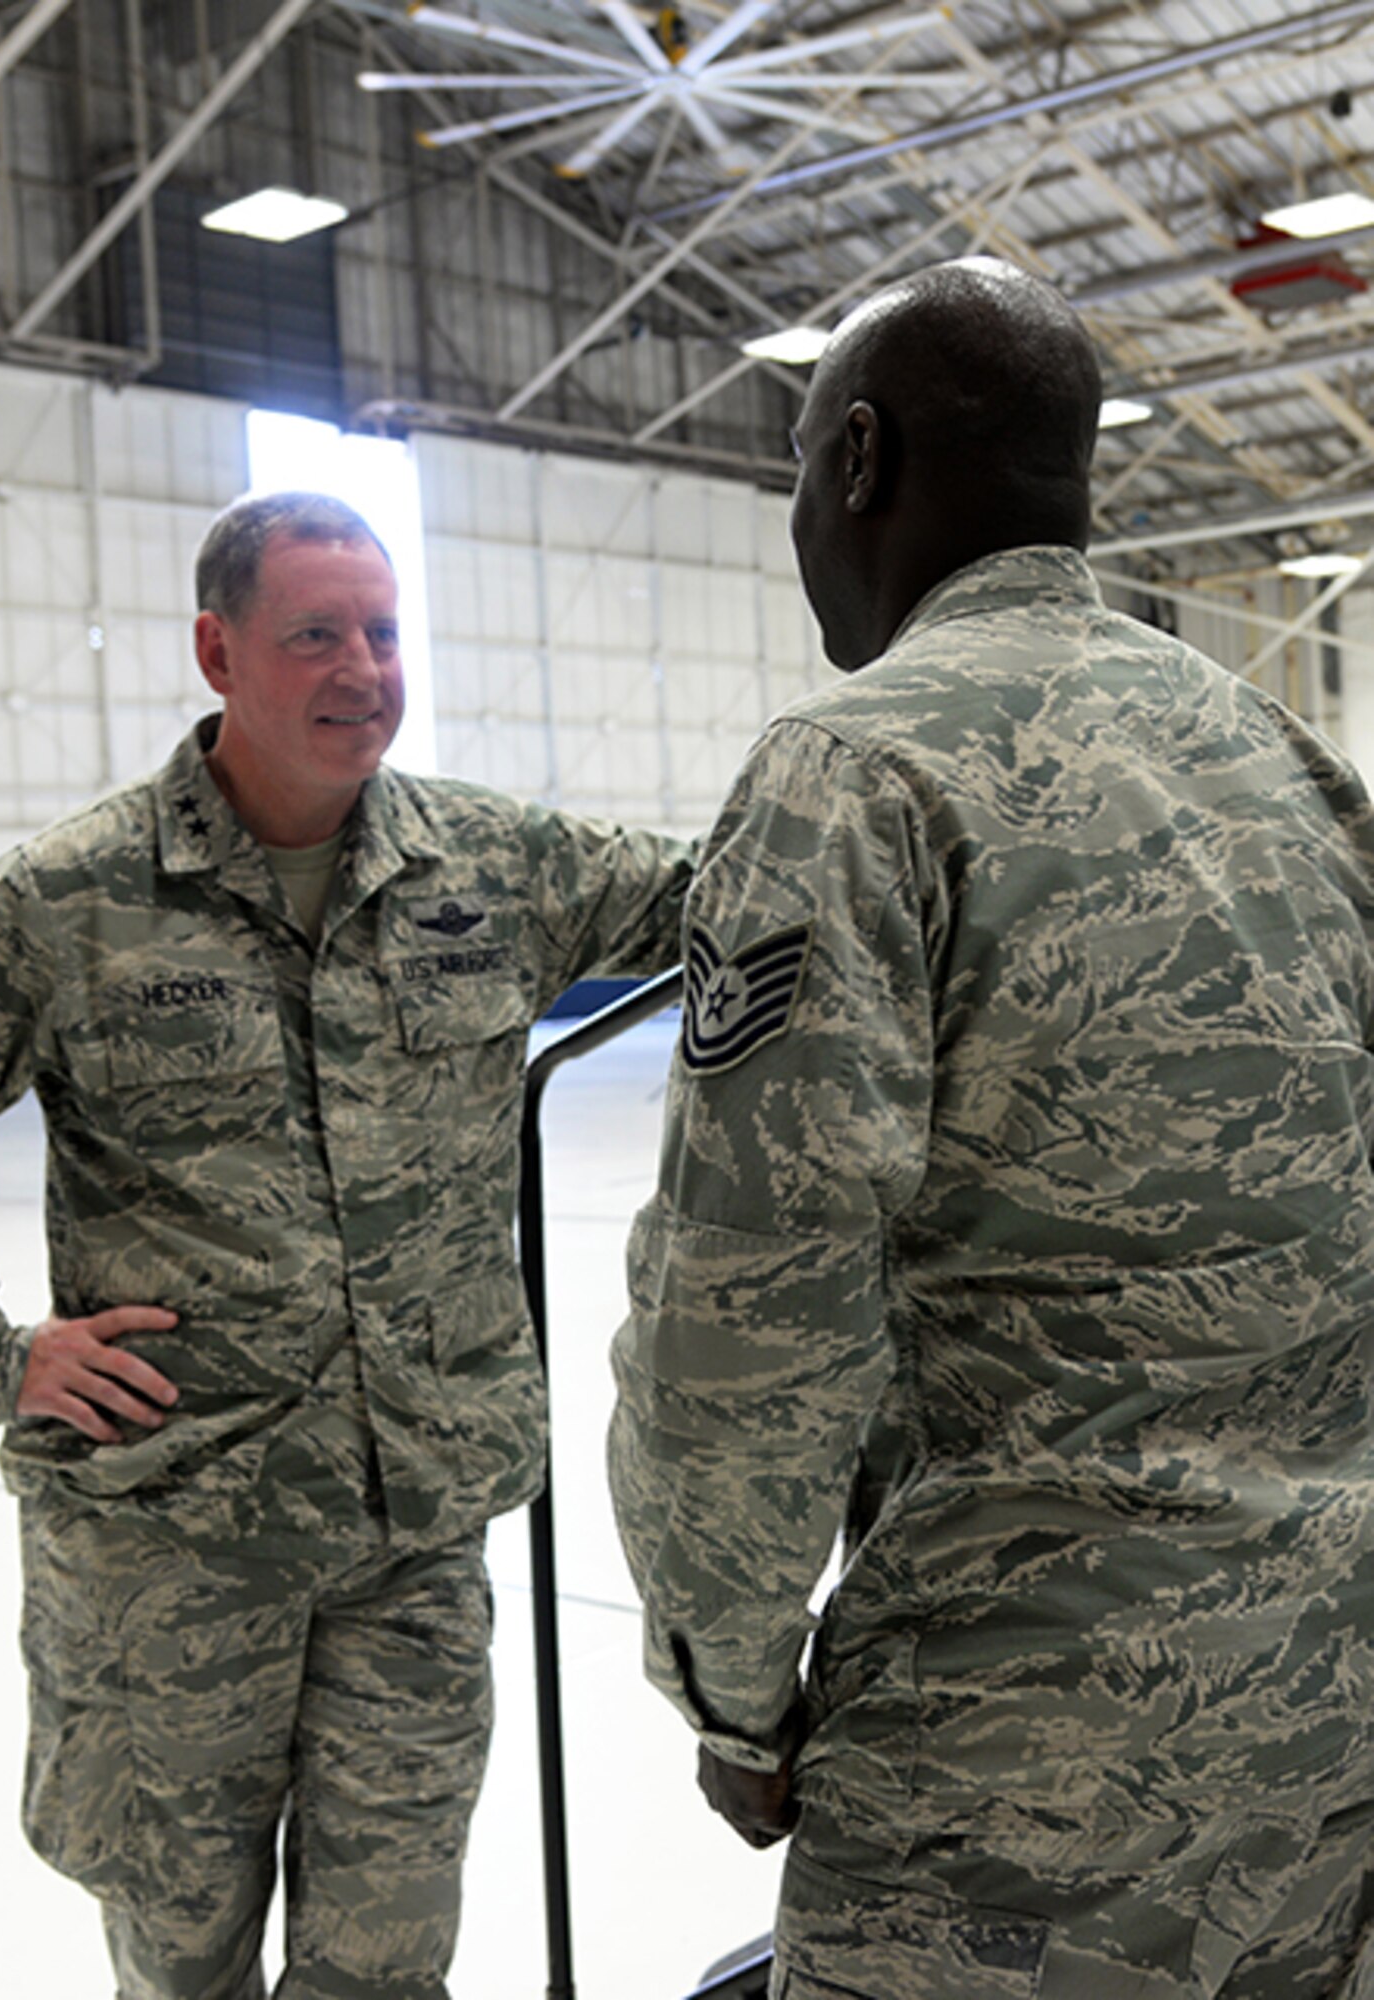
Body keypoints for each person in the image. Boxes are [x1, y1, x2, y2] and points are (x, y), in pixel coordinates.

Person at [607, 256, 1374, 1999]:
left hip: (1009, 1779)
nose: (801, 513)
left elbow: (746, 1323)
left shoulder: (853, 772)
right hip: (1324, 1736)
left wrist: (734, 1697)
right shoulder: (1286, 763)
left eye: (800, 466)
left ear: (861, 460)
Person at [0, 490, 693, 2000]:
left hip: (414, 1538)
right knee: (183, 1965)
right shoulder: (72, 900)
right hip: (173, 1546)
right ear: (218, 651)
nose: (364, 669)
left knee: (388, 1966)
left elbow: (745, 902)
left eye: (383, 632)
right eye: (316, 635)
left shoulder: (495, 870)